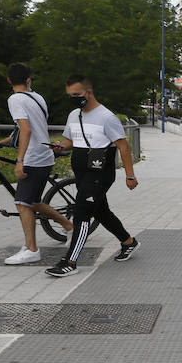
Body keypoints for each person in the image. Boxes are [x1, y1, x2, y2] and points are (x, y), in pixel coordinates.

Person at [45, 74, 140, 278]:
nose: (73, 98)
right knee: (101, 212)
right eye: (70, 95)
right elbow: (69, 140)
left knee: (82, 214)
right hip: (81, 172)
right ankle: (128, 242)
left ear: (89, 92)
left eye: (77, 94)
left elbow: (123, 146)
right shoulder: (73, 115)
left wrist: (129, 175)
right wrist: (60, 147)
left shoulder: (107, 117)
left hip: (99, 174)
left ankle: (70, 261)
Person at [0, 63, 72, 265]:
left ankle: (32, 250)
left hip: (34, 158)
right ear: (29, 80)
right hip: (43, 154)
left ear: (9, 80)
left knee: (22, 203)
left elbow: (26, 130)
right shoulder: (37, 98)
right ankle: (69, 227)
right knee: (31, 202)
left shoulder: (15, 99)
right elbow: (24, 130)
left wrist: (20, 160)